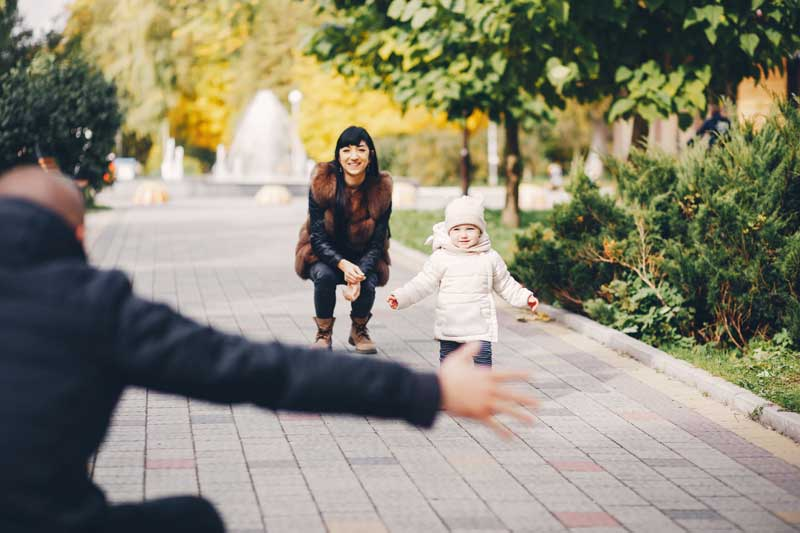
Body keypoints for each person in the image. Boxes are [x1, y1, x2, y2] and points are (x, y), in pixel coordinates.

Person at [0, 166, 537, 533]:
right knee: (193, 519)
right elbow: (259, 371)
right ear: (78, 236)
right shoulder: (94, 307)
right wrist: (429, 389)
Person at [387, 195, 539, 367]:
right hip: (451, 324)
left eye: (470, 229)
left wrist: (526, 298)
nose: (464, 235)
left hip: (480, 325)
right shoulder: (441, 257)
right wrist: (401, 297)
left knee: (482, 363)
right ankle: (450, 392)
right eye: (457, 229)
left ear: (480, 231)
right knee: (450, 365)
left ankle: (482, 392)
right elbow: (422, 283)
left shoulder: (489, 257)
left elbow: (506, 284)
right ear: (448, 231)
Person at [294, 126, 391, 353]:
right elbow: (316, 237)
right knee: (325, 276)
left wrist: (356, 275)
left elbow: (378, 242)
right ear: (338, 155)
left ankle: (358, 330)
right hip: (323, 253)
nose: (353, 156)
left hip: (364, 252)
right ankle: (323, 334)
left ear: (370, 155)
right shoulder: (322, 182)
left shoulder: (381, 189)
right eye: (346, 150)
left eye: (360, 150)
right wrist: (343, 264)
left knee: (367, 279)